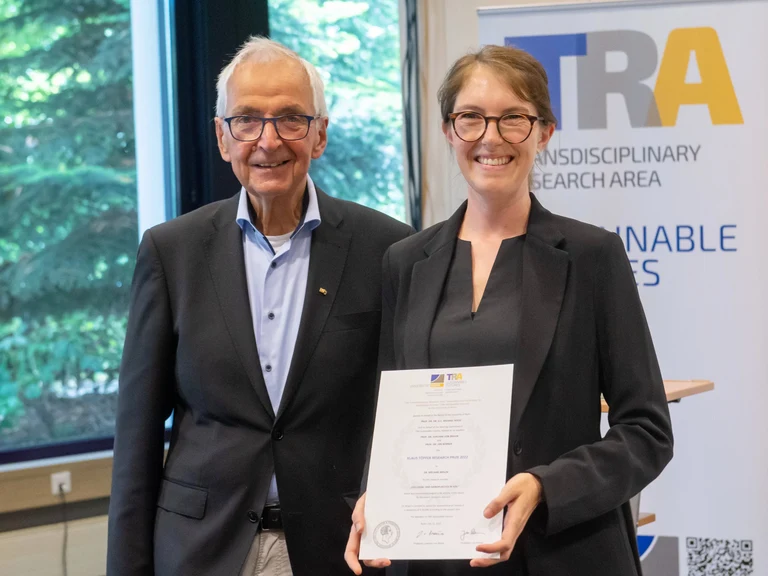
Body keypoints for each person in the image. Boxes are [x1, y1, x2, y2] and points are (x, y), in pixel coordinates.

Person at [345, 45, 673, 576]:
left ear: (543, 132)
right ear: (450, 131)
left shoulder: (592, 257)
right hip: (435, 558)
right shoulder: (405, 262)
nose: (490, 137)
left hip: (561, 553)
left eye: (513, 118)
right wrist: (376, 498)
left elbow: (648, 430)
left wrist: (547, 485)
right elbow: (392, 418)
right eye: (471, 118)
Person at [107, 37, 411, 576]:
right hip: (202, 550)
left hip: (341, 549)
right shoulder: (171, 252)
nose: (268, 141)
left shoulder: (387, 248)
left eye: (291, 119)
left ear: (319, 134)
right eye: (247, 120)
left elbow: (407, 414)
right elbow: (137, 438)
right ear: (223, 138)